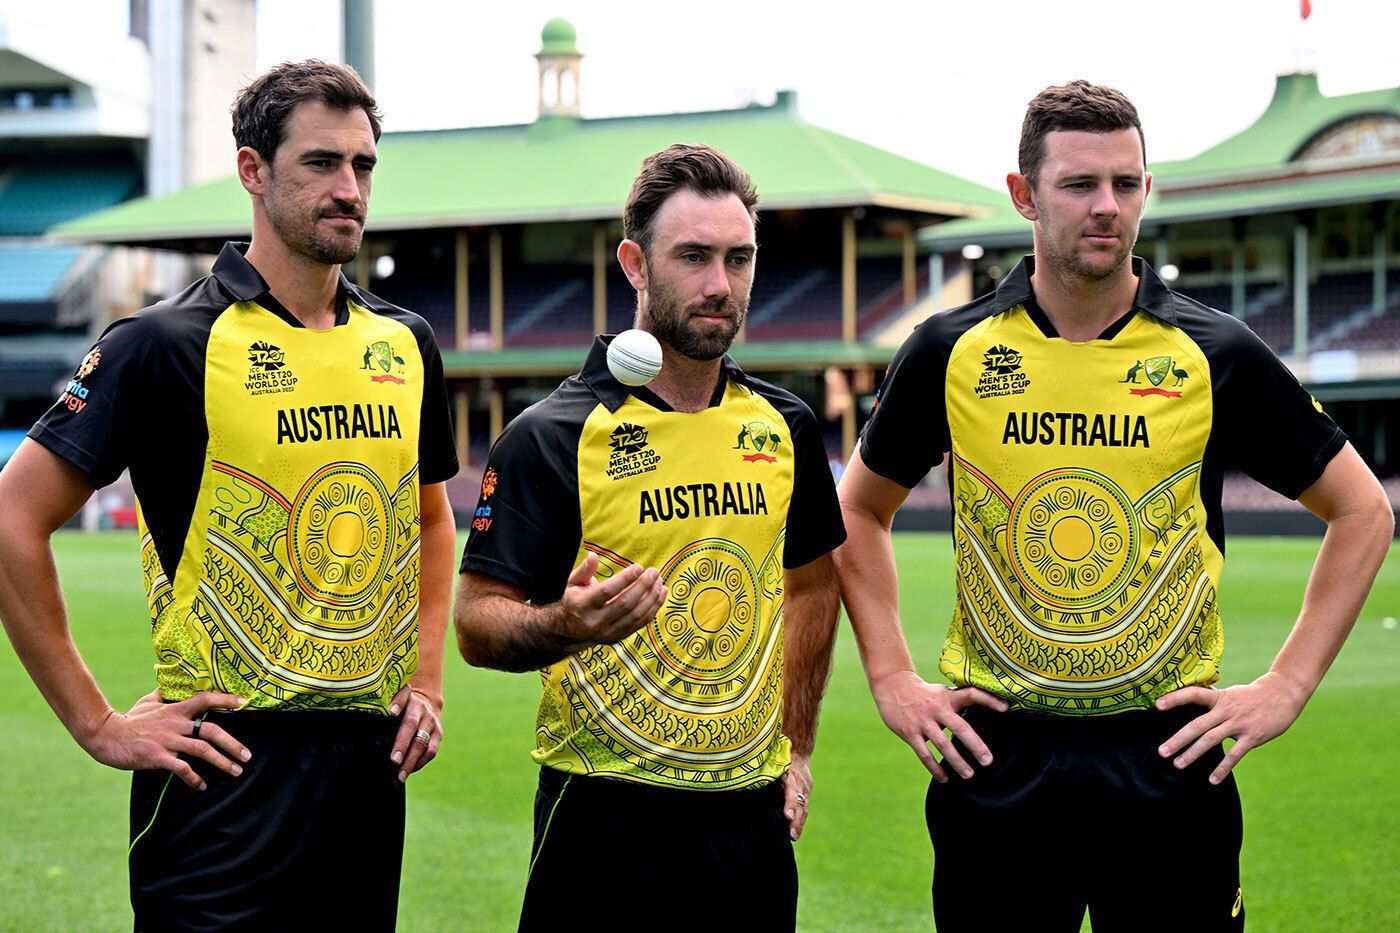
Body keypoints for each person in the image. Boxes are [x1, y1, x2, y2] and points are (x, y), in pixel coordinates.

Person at [834, 80, 1392, 932]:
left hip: (1168, 758)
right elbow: (858, 513)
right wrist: (890, 677)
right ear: (1023, 194)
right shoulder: (950, 351)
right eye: (1079, 184)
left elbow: (1363, 510)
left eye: (1126, 185)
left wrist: (1286, 685)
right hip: (999, 752)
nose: (1108, 207)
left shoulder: (1215, 352)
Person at [0, 61, 458, 930]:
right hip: (223, 769)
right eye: (321, 163)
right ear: (253, 170)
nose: (349, 188)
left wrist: (427, 679)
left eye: (363, 166)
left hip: (367, 771)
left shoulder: (407, 342)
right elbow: (11, 520)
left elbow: (432, 520)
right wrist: (100, 725)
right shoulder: (161, 343)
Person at [454, 144, 845, 931]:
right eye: (693, 257)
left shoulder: (786, 426)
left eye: (739, 259)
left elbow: (812, 582)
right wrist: (563, 625)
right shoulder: (551, 435)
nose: (719, 285)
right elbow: (475, 621)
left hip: (747, 821)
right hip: (600, 817)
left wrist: (796, 745)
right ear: (635, 263)